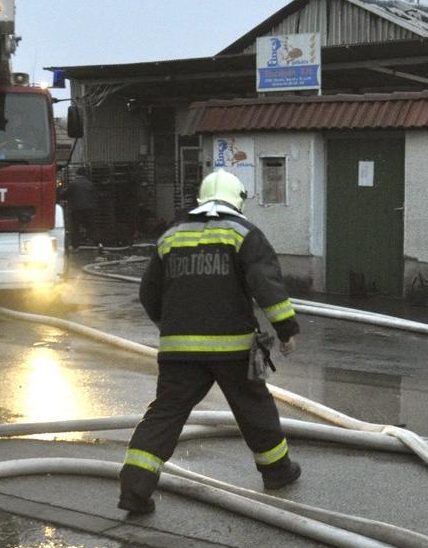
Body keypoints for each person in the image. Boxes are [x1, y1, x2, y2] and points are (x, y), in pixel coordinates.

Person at [118, 169, 301, 515]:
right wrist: (286, 329)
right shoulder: (244, 234)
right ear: (238, 201)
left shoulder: (170, 237)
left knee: (165, 415)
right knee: (253, 407)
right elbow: (267, 286)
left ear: (200, 200)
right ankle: (277, 472)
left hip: (178, 352)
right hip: (232, 349)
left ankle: (134, 489)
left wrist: (169, 325)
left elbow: (148, 294)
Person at [58, 168, 100, 250]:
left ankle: (75, 246)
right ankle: (98, 244)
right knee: (91, 227)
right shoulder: (90, 184)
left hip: (76, 209)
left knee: (75, 227)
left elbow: (64, 195)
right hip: (89, 209)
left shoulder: (73, 184)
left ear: (77, 174)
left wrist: (59, 190)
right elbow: (96, 196)